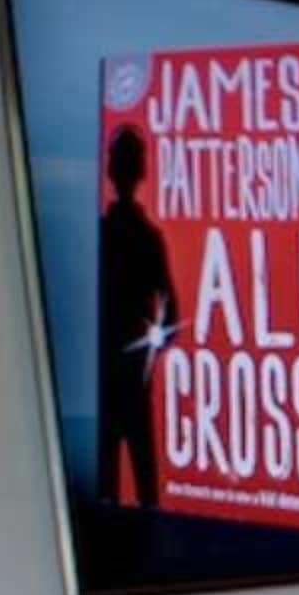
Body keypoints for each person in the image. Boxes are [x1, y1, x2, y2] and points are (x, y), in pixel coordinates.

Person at [94, 122, 174, 508]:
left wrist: (150, 348)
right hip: (121, 368)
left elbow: (171, 309)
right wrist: (151, 348)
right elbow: (171, 308)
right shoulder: (143, 235)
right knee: (134, 477)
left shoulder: (117, 234)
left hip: (114, 368)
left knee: (125, 475)